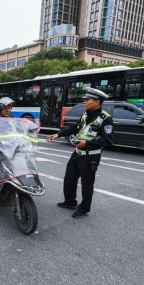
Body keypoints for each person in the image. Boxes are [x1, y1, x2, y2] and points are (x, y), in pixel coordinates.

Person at [47, 87, 114, 219]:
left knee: (87, 183)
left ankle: (84, 208)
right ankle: (70, 201)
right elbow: (74, 128)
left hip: (91, 156)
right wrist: (59, 134)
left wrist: (87, 144)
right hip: (77, 153)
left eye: (87, 100)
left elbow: (108, 140)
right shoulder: (85, 115)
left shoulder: (105, 119)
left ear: (97, 101)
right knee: (69, 179)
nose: (84, 102)